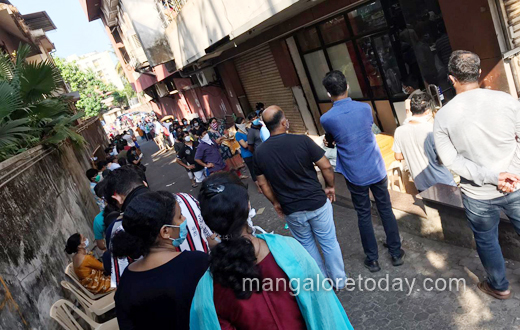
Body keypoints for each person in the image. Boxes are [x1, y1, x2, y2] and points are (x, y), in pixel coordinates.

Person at [190, 173, 354, 330]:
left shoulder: (206, 293)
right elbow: (322, 307)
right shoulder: (289, 249)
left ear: (208, 221)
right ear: (247, 207)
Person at [434, 50, 520, 300]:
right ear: (480, 73)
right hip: (515, 185)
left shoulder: (444, 116)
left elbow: (451, 160)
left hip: (478, 193)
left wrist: (495, 177)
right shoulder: (506, 101)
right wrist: (511, 173)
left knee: (487, 241)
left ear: (451, 78)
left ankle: (500, 286)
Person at [254, 106, 347, 289]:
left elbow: (262, 184)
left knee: (307, 245)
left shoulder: (260, 152)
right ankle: (339, 280)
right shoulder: (302, 141)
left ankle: (321, 283)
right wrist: (330, 187)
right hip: (317, 203)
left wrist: (275, 203)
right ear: (283, 122)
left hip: (292, 209)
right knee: (328, 242)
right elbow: (326, 166)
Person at [321, 70, 404, 273]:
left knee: (364, 214)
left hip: (354, 173)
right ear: (347, 86)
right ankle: (395, 252)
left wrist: (329, 140)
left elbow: (334, 138)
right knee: (385, 209)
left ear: (328, 93)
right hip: (375, 168)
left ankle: (372, 259)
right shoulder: (365, 108)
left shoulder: (327, 118)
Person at [112, 191, 209, 329]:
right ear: (165, 232)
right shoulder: (197, 264)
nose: (184, 220)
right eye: (180, 216)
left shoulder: (126, 283)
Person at [393, 91, 456, 192]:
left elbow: (398, 156)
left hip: (421, 184)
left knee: (430, 208)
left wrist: (412, 153)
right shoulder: (431, 129)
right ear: (427, 111)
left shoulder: (399, 131)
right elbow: (444, 158)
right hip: (442, 182)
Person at [235, 117, 260, 190]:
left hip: (254, 152)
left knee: (259, 168)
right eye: (242, 123)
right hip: (247, 155)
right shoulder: (238, 134)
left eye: (244, 122)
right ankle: (259, 187)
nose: (244, 124)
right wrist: (251, 140)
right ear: (238, 125)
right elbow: (245, 145)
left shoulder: (247, 130)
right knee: (253, 171)